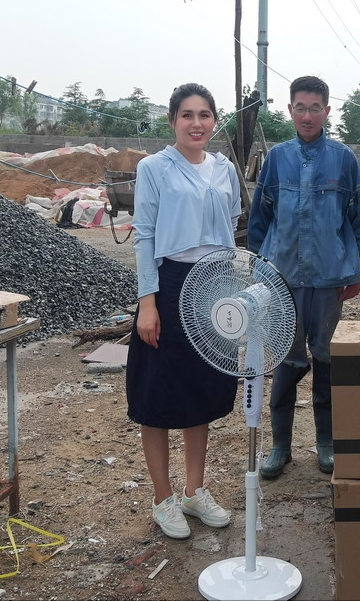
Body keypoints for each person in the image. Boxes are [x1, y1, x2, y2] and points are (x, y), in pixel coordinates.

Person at [126, 83, 242, 539]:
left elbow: (232, 223)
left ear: (214, 120)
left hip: (215, 283)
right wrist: (147, 303)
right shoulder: (154, 168)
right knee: (156, 392)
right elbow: (145, 236)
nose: (197, 123)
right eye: (187, 115)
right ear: (172, 121)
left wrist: (232, 288)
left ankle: (195, 491)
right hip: (170, 283)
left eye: (205, 115)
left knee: (201, 388)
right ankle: (163, 498)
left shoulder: (225, 169)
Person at [247, 75, 360, 479]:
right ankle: (280, 445)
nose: (307, 115)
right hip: (282, 279)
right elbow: (260, 216)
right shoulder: (277, 158)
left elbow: (359, 218)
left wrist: (358, 267)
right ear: (289, 110)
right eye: (300, 107)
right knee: (286, 357)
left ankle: (326, 443)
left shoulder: (343, 159)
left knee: (326, 358)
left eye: (315, 108)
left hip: (329, 278)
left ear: (327, 111)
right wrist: (259, 267)